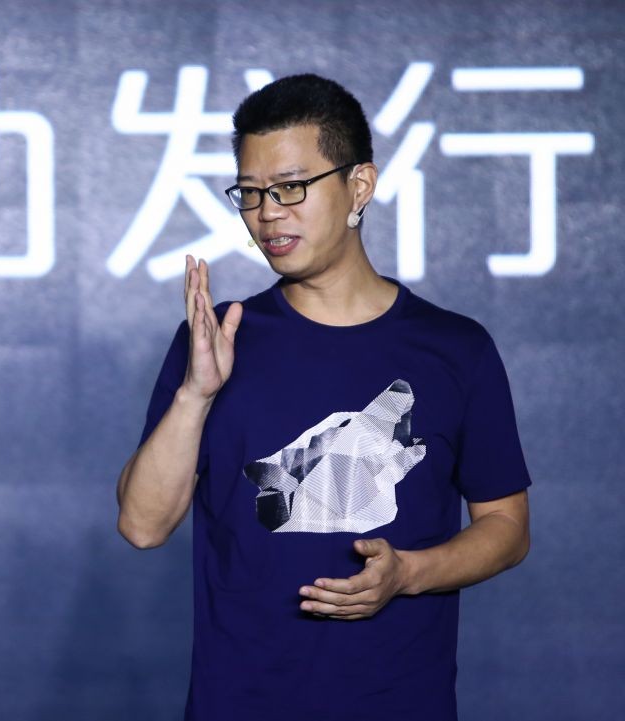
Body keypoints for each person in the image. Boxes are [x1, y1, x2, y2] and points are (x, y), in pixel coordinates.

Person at [115, 74, 531, 721]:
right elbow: (143, 526)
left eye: (290, 187)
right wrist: (196, 393)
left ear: (359, 186)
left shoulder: (456, 349)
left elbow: (506, 527)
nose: (267, 213)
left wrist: (408, 573)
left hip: (399, 703)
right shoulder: (217, 339)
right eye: (250, 193)